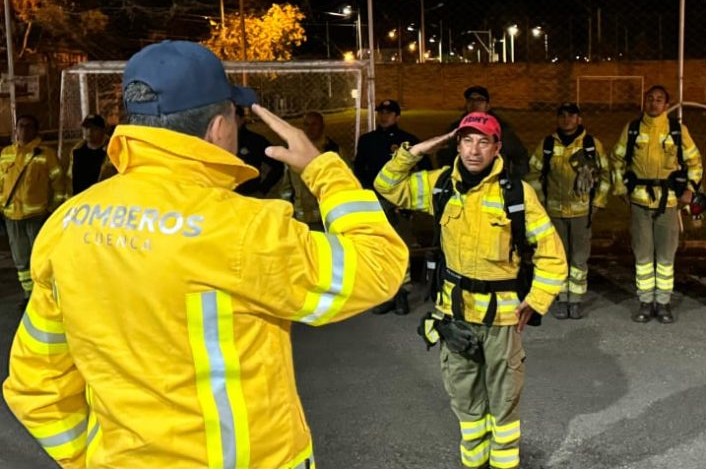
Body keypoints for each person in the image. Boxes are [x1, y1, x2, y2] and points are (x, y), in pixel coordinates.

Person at [2, 40, 408, 468]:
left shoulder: (69, 222)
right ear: (218, 128)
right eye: (236, 115)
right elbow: (379, 265)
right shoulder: (243, 228)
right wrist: (322, 169)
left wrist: (87, 459)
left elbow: (36, 384)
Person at [375, 111, 567, 469]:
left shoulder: (516, 193)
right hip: (455, 315)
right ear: (457, 145)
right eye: (466, 140)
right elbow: (387, 186)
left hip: (502, 319)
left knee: (504, 398)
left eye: (483, 141)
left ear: (497, 148)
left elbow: (553, 256)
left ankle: (504, 463)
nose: (474, 150)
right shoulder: (439, 185)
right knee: (464, 398)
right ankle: (474, 462)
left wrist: (536, 300)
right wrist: (413, 152)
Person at [611, 86, 703, 324]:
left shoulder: (677, 130)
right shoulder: (632, 129)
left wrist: (689, 190)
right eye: (650, 99)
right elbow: (617, 159)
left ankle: (662, 303)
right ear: (644, 102)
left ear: (666, 104)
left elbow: (695, 162)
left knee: (665, 256)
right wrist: (621, 189)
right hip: (640, 202)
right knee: (642, 256)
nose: (653, 103)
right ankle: (645, 302)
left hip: (668, 202)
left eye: (659, 100)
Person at [527, 102, 610, 319]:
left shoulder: (591, 145)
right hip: (554, 212)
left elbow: (606, 176)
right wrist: (541, 203)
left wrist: (597, 204)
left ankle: (575, 300)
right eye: (562, 115)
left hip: (582, 213)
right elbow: (533, 173)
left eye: (571, 116)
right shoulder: (547, 145)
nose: (566, 119)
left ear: (579, 119)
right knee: (558, 257)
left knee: (579, 258)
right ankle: (561, 298)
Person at [354, 99, 426, 315]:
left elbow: (423, 170)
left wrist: (408, 199)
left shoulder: (409, 141)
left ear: (397, 116)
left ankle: (401, 294)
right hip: (376, 202)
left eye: (389, 112)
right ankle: (387, 294)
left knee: (400, 247)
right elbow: (359, 170)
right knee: (380, 248)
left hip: (401, 203)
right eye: (381, 112)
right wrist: (371, 194)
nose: (384, 116)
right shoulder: (367, 140)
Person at [0, 114, 65, 310]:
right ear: (16, 129)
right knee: (21, 260)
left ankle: (45, 296)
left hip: (38, 216)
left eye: (29, 126)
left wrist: (54, 208)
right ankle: (28, 296)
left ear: (36, 131)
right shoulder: (6, 153)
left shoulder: (46, 154)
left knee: (41, 257)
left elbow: (58, 182)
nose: (24, 130)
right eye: (21, 126)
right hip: (12, 216)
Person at [436, 86, 530, 178]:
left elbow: (520, 156)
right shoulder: (456, 128)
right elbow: (444, 156)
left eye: (479, 100)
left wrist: (513, 180)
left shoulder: (501, 129)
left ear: (488, 106)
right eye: (471, 100)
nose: (474, 104)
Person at [280, 111, 340, 228]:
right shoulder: (293, 154)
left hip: (328, 218)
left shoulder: (334, 151)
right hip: (301, 219)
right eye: (306, 125)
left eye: (314, 124)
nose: (310, 128)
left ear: (322, 126)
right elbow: (286, 188)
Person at [234, 105, 285, 197]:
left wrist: (262, 189)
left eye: (232, 118)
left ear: (241, 119)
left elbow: (278, 166)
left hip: (249, 196)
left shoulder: (254, 141)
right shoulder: (217, 140)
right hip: (224, 196)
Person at [67, 114, 115, 196]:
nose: (89, 132)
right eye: (86, 128)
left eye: (94, 129)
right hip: (79, 201)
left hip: (103, 201)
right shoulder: (77, 151)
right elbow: (70, 179)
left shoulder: (112, 151)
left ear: (103, 130)